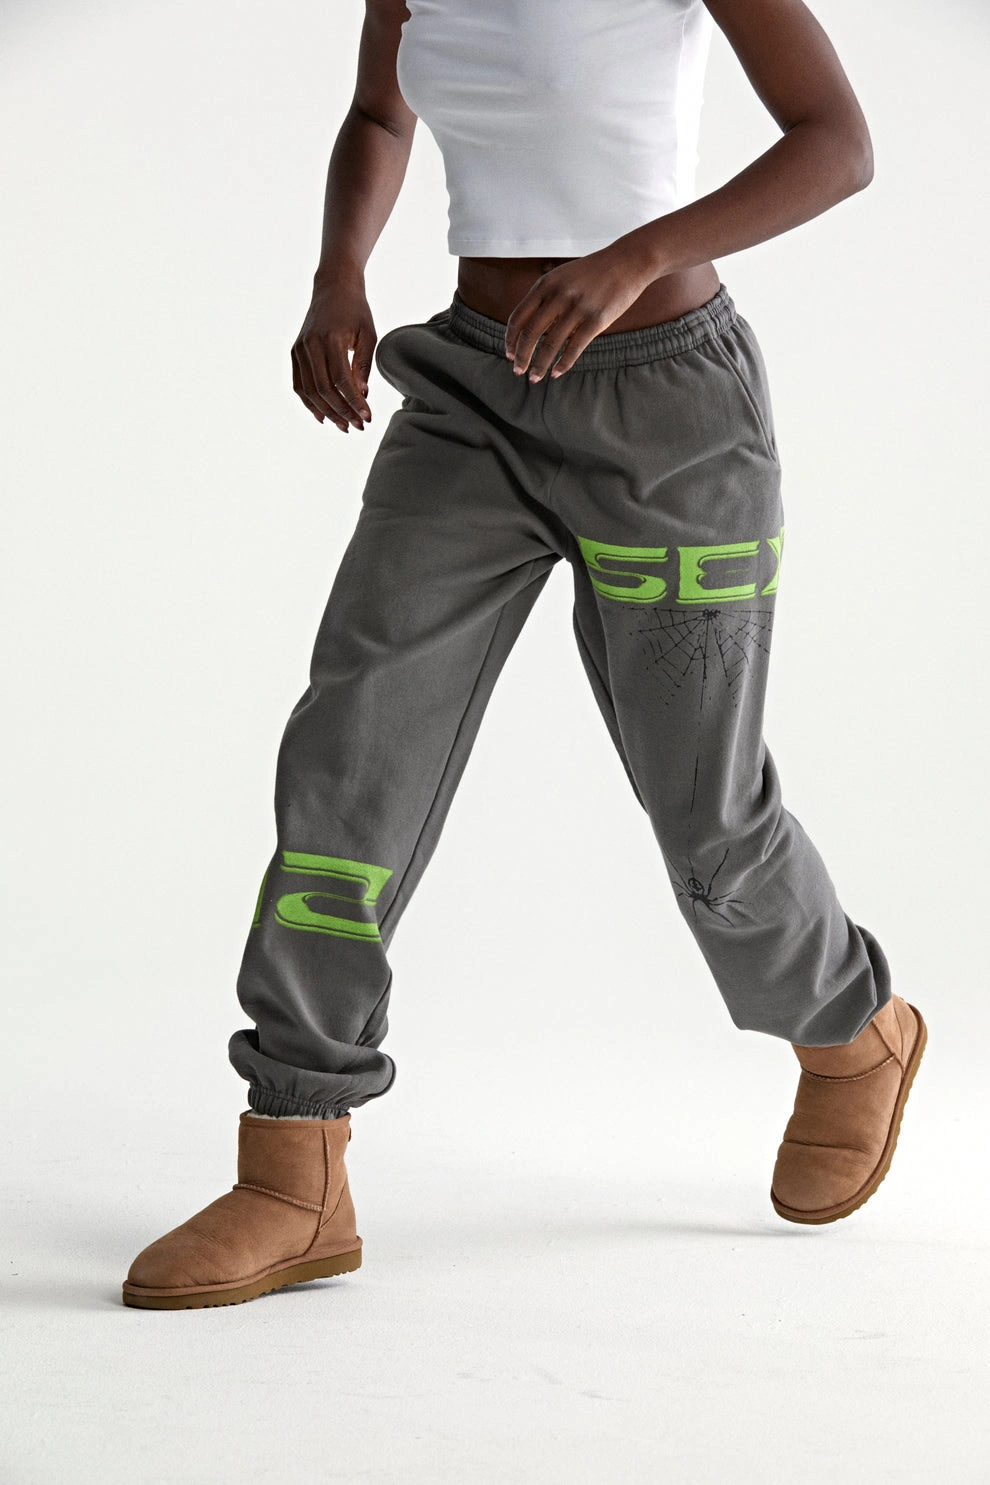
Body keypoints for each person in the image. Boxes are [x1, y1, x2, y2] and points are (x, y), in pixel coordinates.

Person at [122, 0, 927, 1311]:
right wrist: (339, 273)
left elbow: (836, 142)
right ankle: (294, 1165)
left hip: (670, 415)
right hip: (470, 396)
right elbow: (380, 112)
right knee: (347, 765)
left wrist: (634, 257)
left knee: (706, 821)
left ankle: (849, 1031)